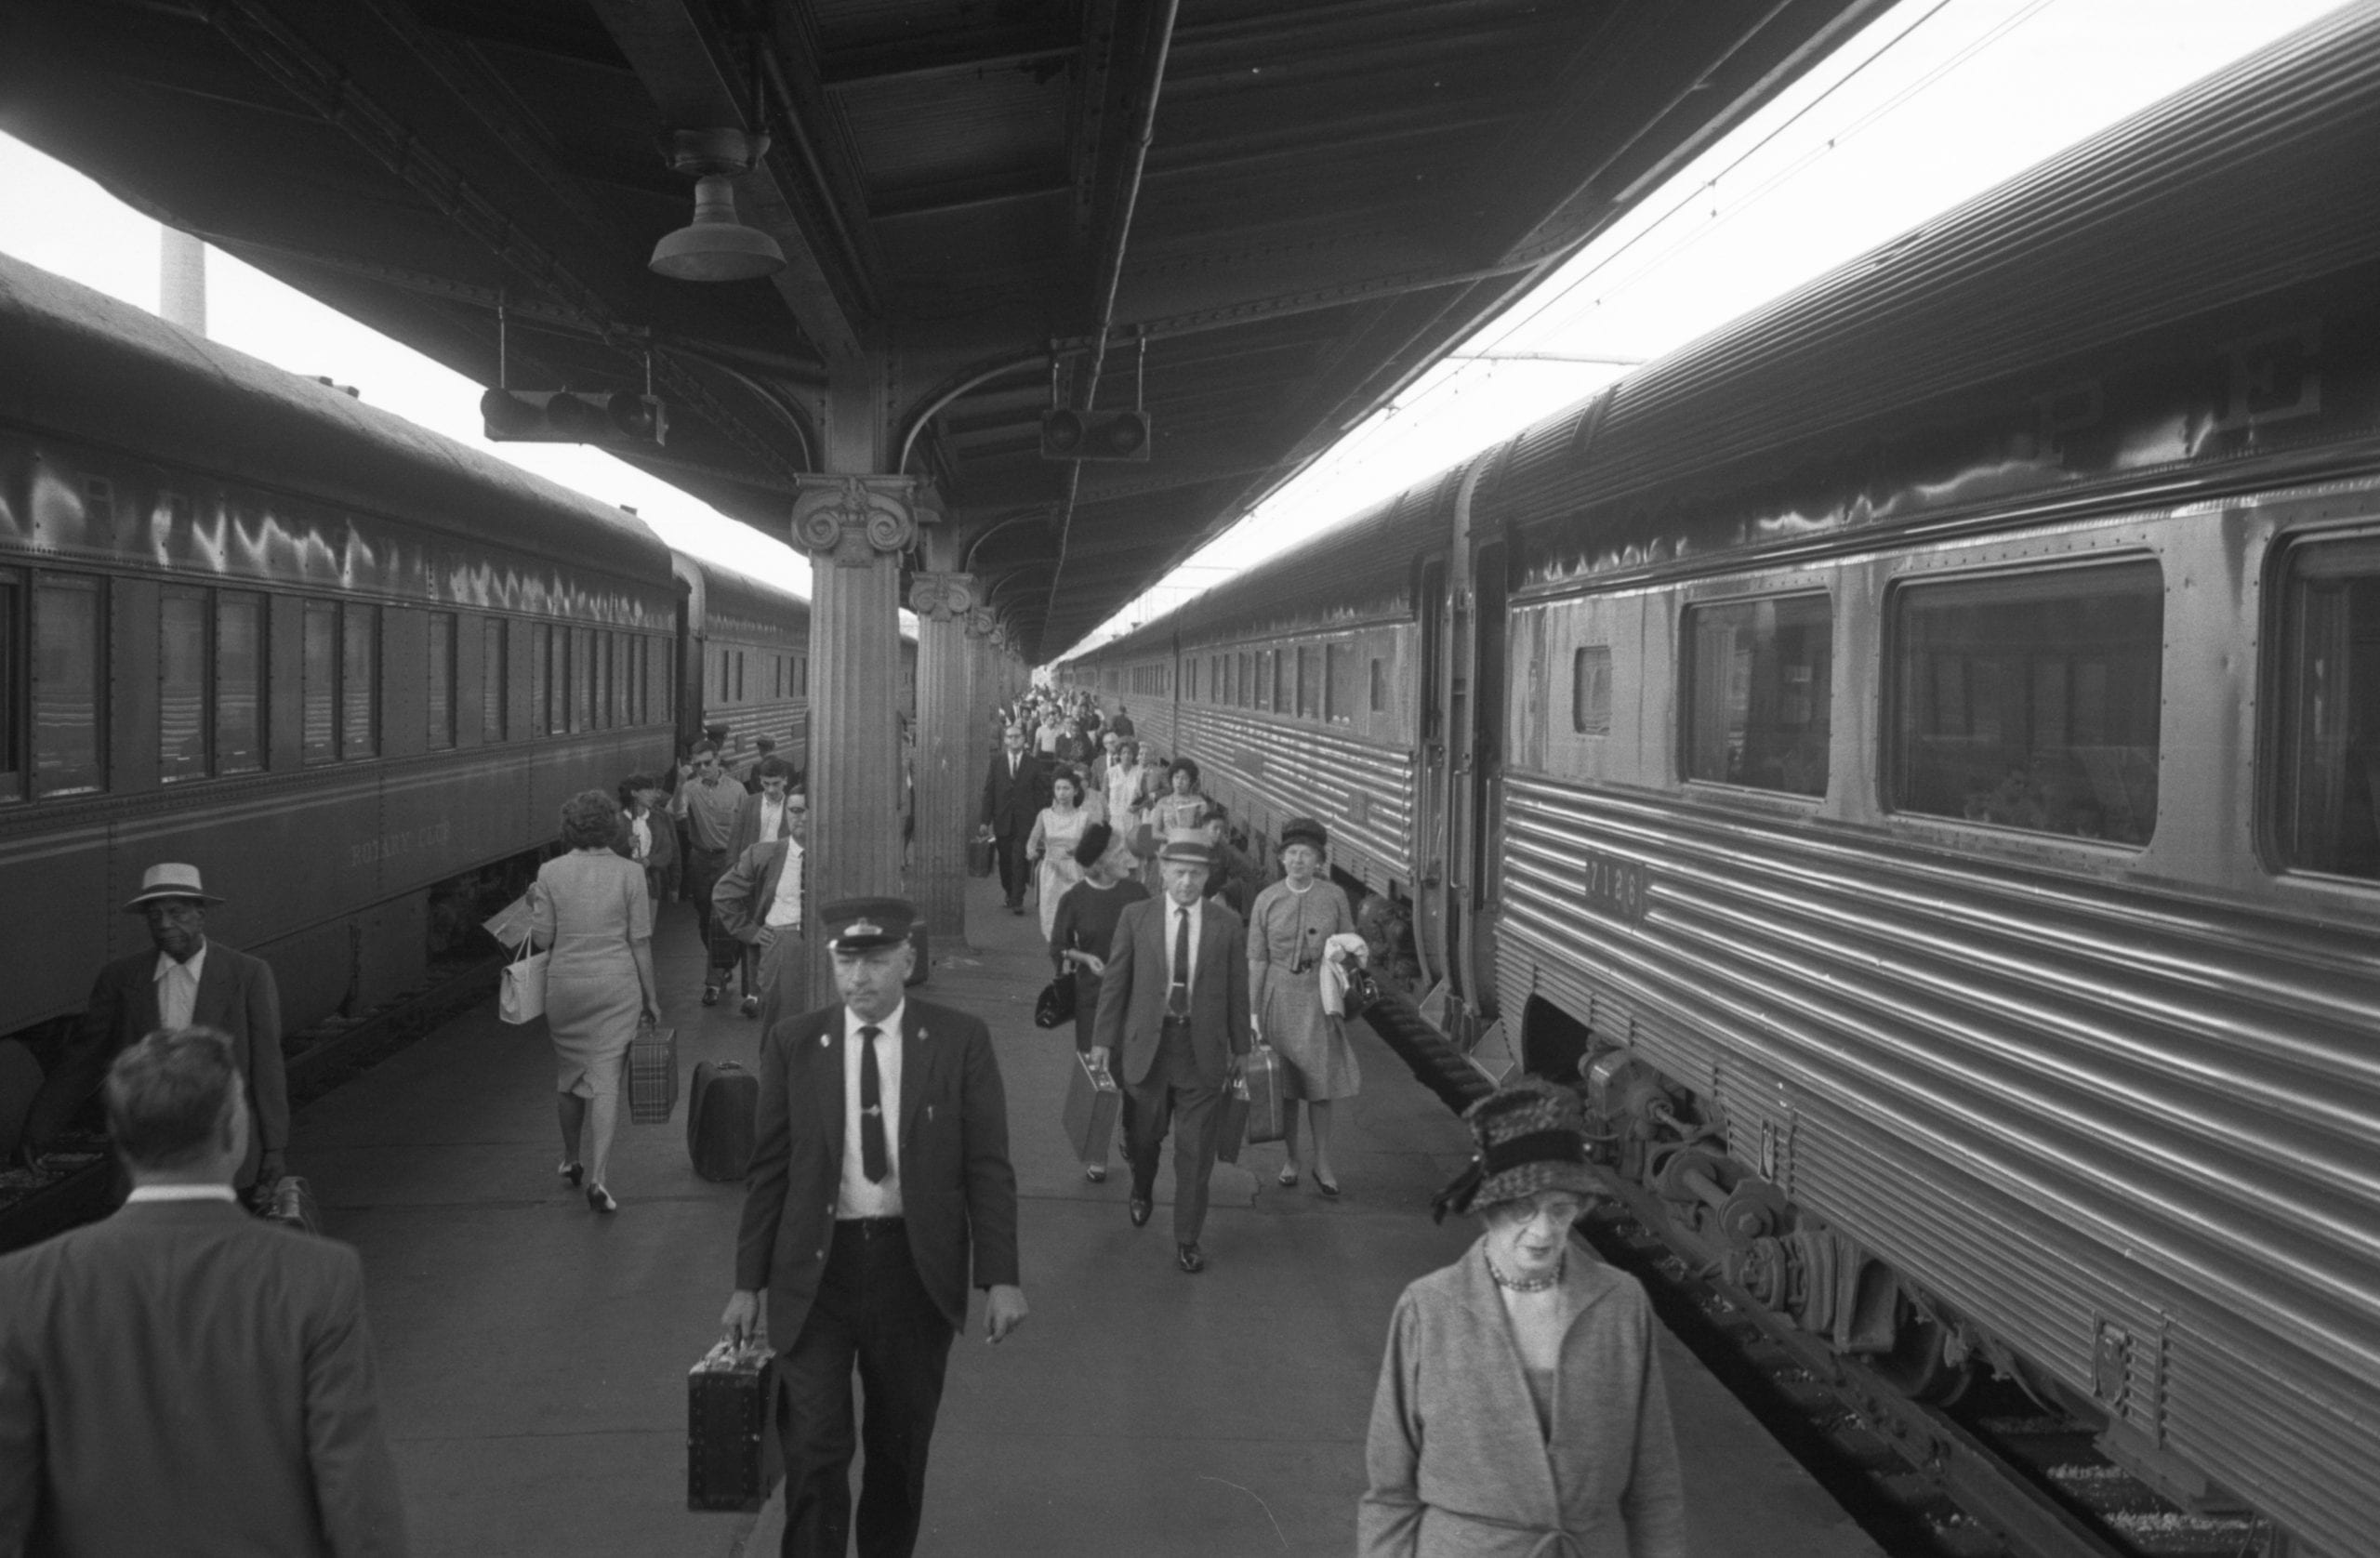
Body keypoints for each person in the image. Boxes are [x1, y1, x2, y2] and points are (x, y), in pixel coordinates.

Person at [0, 1027, 409, 1556]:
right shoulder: (316, 1276)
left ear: (118, 1138)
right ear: (232, 1131)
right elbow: (356, 1492)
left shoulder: (25, 1284)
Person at [721, 898, 1025, 1558]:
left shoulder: (959, 1039)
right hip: (815, 1276)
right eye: (846, 963)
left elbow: (987, 1167)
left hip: (911, 1274)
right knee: (816, 1452)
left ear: (908, 962)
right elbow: (768, 1171)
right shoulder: (794, 1043)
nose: (859, 980)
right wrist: (747, 1284)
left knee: (899, 1453)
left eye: (877, 963)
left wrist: (1000, 1277)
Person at [1360, 1079, 1686, 1558]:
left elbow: (1654, 1485)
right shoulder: (1428, 1309)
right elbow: (1390, 1492)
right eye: (1522, 1208)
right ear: (1488, 1208)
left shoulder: (1619, 1303)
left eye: (1560, 1209)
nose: (1543, 1230)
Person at [17, 863, 287, 1194]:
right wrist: (40, 1129)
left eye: (176, 913)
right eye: (154, 916)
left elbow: (267, 1067)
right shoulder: (120, 979)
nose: (164, 924)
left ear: (200, 914)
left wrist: (274, 1149)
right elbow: (82, 1061)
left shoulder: (247, 976)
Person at [1089, 834, 1250, 1274]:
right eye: (1178, 872)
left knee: (1195, 1152)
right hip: (1148, 1049)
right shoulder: (1136, 917)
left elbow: (1238, 990)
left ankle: (1187, 1238)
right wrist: (1102, 1041)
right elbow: (1116, 982)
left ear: (1207, 876)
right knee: (1144, 1139)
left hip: (1202, 1052)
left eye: (1195, 874)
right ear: (1162, 872)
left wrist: (1242, 1047)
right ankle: (1142, 1185)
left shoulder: (1226, 925)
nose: (1186, 882)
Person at [530, 789, 660, 1213]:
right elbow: (640, 941)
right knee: (606, 1081)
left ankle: (571, 1159)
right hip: (616, 985)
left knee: (569, 1075)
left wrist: (536, 903)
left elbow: (542, 939)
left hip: (566, 987)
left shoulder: (549, 872)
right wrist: (651, 999)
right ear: (611, 828)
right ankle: (601, 1179)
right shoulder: (630, 874)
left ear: (569, 829)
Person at [1247, 817, 1362, 1195]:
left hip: (1320, 996)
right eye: (1291, 854)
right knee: (1286, 1087)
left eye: (1306, 854)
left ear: (1319, 860)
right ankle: (1293, 1158)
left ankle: (1323, 1161)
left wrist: (1349, 960)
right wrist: (1251, 1013)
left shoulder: (1334, 896)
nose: (1297, 861)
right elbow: (1258, 960)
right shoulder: (1267, 899)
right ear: (1281, 859)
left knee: (1320, 1084)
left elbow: (1350, 945)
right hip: (1278, 995)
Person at [1048, 824, 1148, 1183]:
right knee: (1100, 1074)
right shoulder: (1073, 900)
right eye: (1120, 853)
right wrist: (1085, 958)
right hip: (1093, 999)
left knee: (1133, 1071)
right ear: (1100, 865)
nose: (1128, 858)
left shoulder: (1138, 892)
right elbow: (1058, 947)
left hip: (1135, 997)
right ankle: (1097, 1151)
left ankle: (1127, 1129)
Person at [712, 811, 809, 1034]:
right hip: (783, 941)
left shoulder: (835, 853)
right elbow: (723, 894)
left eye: (807, 810)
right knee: (780, 1024)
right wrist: (748, 930)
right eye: (794, 811)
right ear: (786, 814)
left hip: (824, 945)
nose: (801, 817)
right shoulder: (765, 853)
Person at [725, 758, 804, 1015]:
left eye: (777, 784)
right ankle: (751, 993)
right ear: (759, 781)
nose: (772, 789)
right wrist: (734, 873)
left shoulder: (793, 807)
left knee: (773, 933)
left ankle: (768, 991)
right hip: (752, 875)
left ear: (786, 781)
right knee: (752, 932)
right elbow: (736, 839)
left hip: (779, 876)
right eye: (767, 783)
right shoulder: (749, 804)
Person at [679, 740, 745, 1004]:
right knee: (705, 918)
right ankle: (725, 962)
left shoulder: (737, 789)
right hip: (700, 860)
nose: (703, 768)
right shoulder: (689, 788)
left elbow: (745, 826)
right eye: (697, 765)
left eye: (707, 763)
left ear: (718, 760)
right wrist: (678, 783)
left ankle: (713, 983)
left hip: (728, 860)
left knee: (719, 917)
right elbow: (677, 814)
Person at [980, 723, 1047, 917]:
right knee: (1006, 862)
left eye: (1017, 736)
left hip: (1026, 820)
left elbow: (1040, 794)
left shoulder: (1034, 764)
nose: (1013, 739)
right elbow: (989, 792)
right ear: (1005, 741)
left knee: (1019, 859)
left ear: (1024, 739)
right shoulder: (997, 762)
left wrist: (1042, 821)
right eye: (1010, 737)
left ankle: (1018, 899)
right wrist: (985, 820)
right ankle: (1009, 891)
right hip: (1002, 819)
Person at [1025, 767, 1093, 942]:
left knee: (1075, 915)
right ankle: (1058, 956)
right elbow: (1032, 841)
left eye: (1066, 788)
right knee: (1052, 917)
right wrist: (1031, 852)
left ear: (1076, 791)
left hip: (1075, 871)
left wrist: (1079, 851)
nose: (1061, 793)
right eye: (1058, 788)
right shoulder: (1045, 815)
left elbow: (1093, 848)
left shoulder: (1084, 817)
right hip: (1051, 871)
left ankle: (1073, 959)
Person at [615, 772, 678, 907]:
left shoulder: (659, 819)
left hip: (651, 886)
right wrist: (627, 846)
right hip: (622, 888)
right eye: (648, 791)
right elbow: (608, 854)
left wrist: (649, 861)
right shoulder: (617, 821)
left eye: (654, 791)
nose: (654, 795)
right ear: (634, 793)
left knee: (647, 926)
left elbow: (668, 851)